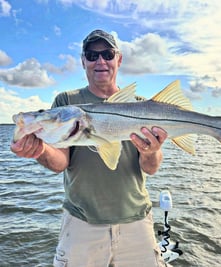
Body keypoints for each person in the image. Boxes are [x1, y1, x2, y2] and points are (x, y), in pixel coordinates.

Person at [10, 29, 169, 267]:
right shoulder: (66, 101)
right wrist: (40, 150)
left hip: (136, 221)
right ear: (83, 60)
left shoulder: (141, 107)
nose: (100, 61)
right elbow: (61, 161)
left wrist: (152, 151)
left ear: (119, 59)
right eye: (92, 55)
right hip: (82, 222)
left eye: (107, 53)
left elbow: (150, 168)